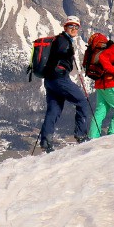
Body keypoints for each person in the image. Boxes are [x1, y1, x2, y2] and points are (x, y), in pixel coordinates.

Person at [38, 16, 91, 152]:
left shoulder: (60, 39)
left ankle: (46, 142)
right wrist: (68, 50)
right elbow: (61, 50)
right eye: (70, 26)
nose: (73, 29)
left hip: (50, 80)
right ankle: (81, 135)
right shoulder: (63, 40)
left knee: (54, 110)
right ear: (65, 27)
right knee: (82, 101)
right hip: (60, 78)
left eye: (76, 26)